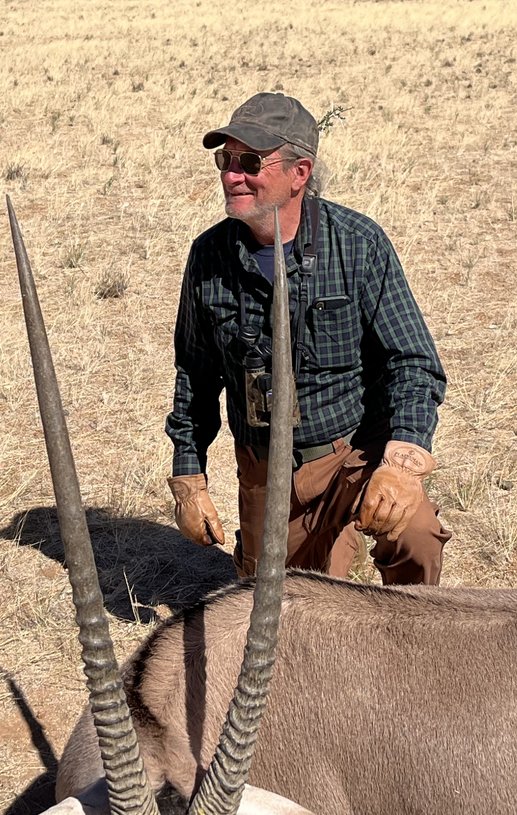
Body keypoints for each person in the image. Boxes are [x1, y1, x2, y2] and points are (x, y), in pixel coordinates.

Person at [165, 92, 450, 584]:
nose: (231, 175)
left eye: (249, 161)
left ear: (300, 173)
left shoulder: (358, 244)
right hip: (267, 465)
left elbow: (413, 363)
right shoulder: (208, 257)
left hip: (354, 453)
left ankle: (412, 646)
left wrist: (402, 462)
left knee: (416, 537)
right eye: (226, 159)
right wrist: (189, 479)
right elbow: (195, 372)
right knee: (285, 604)